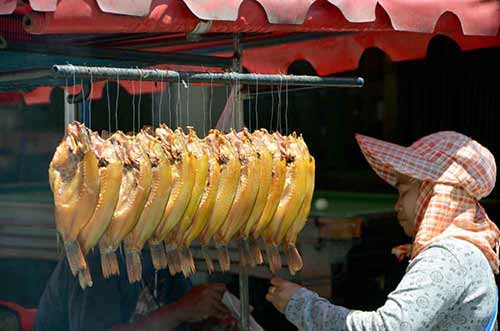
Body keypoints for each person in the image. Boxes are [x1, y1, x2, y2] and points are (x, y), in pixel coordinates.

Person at [266, 131, 499, 330]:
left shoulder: (447, 258)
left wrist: (300, 305)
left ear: (434, 191)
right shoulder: (463, 251)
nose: (397, 205)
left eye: (404, 191)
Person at [36, 247, 235, 331]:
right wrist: (181, 310)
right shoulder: (98, 256)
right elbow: (179, 312)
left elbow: (183, 317)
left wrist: (212, 316)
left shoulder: (164, 253)